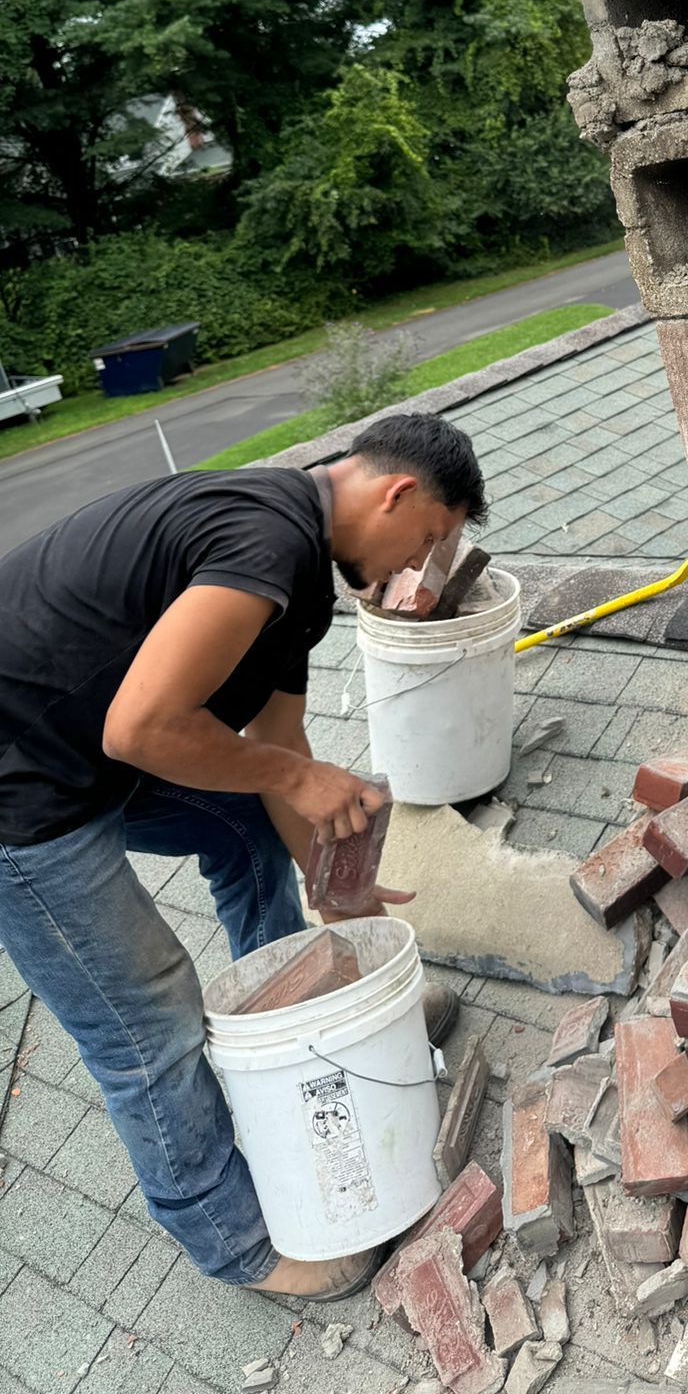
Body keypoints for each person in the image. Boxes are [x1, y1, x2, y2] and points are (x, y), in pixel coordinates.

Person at [0, 411, 487, 1301]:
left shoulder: (300, 573)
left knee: (245, 830)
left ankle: (296, 1026)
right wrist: (295, 782)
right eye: (429, 541)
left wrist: (336, 888)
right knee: (146, 1022)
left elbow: (278, 736)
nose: (417, 569)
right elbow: (144, 726)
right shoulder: (262, 539)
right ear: (398, 493)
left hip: (84, 750)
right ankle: (238, 1245)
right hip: (20, 788)